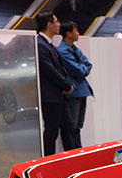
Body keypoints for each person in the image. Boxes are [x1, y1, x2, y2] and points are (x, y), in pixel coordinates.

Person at [35, 12, 75, 156]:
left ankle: (71, 160)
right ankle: (48, 161)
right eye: (57, 21)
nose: (59, 25)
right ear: (49, 24)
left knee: (69, 129)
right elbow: (50, 71)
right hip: (51, 97)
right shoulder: (41, 45)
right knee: (51, 131)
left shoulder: (48, 44)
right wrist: (66, 85)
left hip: (58, 95)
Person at [57, 21, 93, 149]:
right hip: (73, 93)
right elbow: (78, 70)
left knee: (77, 126)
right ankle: (73, 151)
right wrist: (83, 69)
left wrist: (83, 69)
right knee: (71, 126)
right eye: (76, 30)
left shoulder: (74, 49)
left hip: (81, 91)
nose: (78, 33)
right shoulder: (62, 51)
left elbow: (88, 64)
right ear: (68, 33)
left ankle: (78, 150)